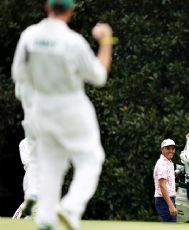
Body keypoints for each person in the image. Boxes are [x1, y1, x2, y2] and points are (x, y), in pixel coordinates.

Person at [11, 0, 114, 229]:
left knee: (51, 165)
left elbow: (18, 73)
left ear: (48, 7)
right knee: (91, 159)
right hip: (72, 107)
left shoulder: (29, 36)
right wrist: (106, 40)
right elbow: (98, 76)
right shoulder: (73, 41)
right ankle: (71, 207)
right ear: (70, 10)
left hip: (41, 110)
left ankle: (47, 218)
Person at [153, 139, 178, 222]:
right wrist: (170, 205)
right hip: (164, 200)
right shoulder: (162, 164)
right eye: (168, 148)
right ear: (162, 149)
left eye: (173, 148)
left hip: (166, 199)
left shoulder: (168, 161)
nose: (171, 151)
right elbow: (162, 185)